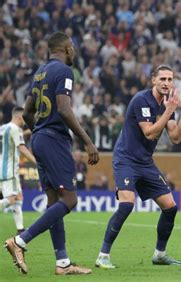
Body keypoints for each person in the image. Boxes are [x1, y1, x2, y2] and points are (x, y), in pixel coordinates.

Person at [4, 31, 100, 275]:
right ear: (67, 48)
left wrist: (41, 131)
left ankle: (63, 263)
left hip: (39, 139)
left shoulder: (39, 73)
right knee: (70, 199)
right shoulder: (64, 72)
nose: (75, 51)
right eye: (73, 47)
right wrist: (88, 141)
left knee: (53, 201)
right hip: (54, 141)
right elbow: (65, 110)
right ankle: (21, 241)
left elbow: (26, 113)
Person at [95, 65, 181, 268]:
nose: (166, 83)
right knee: (127, 204)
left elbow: (175, 137)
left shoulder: (167, 104)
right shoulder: (141, 100)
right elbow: (150, 133)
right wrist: (170, 110)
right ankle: (103, 255)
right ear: (153, 80)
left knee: (170, 207)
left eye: (170, 79)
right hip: (126, 159)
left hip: (145, 162)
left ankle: (160, 254)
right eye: (162, 79)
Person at [0, 107, 37, 235]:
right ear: (19, 117)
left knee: (19, 198)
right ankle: (20, 230)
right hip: (10, 171)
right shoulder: (16, 129)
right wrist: (36, 162)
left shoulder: (3, 128)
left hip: (2, 169)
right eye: (24, 118)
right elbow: (22, 149)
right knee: (12, 198)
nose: (25, 120)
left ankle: (20, 230)